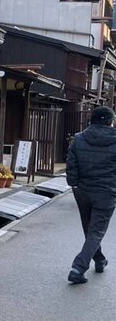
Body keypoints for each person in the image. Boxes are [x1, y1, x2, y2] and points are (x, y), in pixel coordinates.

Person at [66, 106, 116, 283]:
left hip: (82, 190)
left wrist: (74, 183)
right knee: (96, 231)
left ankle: (100, 260)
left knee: (89, 229)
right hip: (106, 192)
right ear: (110, 122)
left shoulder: (79, 138)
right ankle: (78, 268)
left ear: (92, 120)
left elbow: (71, 164)